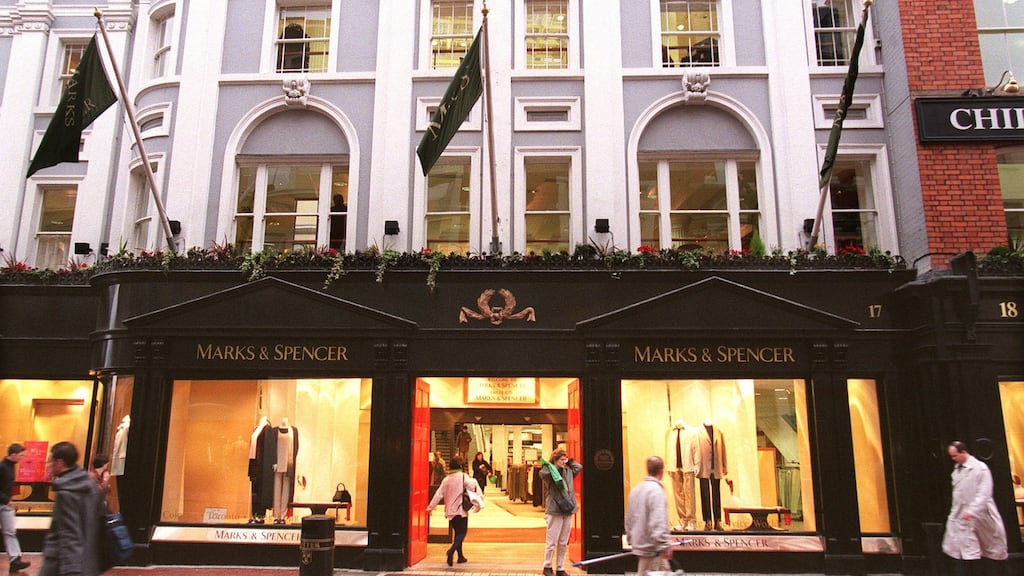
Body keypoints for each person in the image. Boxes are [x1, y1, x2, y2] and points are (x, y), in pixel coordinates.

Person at [941, 441, 1008, 575]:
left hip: (980, 516)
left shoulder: (980, 468)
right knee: (966, 552)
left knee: (989, 552)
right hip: (962, 517)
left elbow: (984, 493)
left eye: (955, 456)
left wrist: (973, 510)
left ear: (963, 452)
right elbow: (958, 495)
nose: (953, 459)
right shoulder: (957, 470)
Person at [40, 441, 103, 576]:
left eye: (50, 462)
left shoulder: (66, 492)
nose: (48, 466)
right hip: (87, 560)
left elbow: (70, 533)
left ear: (60, 463)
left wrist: (72, 570)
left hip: (61, 563)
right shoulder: (90, 486)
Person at [426, 455, 482, 566]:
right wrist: (474, 483)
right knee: (462, 533)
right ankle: (451, 551)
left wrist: (430, 507)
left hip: (450, 512)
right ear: (460, 466)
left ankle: (460, 557)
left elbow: (438, 495)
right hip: (460, 510)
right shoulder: (463, 477)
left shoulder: (446, 480)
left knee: (457, 533)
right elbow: (471, 486)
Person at [626, 456, 676, 576]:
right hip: (653, 548)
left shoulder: (636, 490)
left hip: (641, 546)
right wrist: (664, 544)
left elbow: (629, 518)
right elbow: (657, 520)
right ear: (661, 471)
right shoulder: (656, 491)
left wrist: (630, 538)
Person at [539, 449, 582, 576]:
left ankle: (560, 567)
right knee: (552, 541)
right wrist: (553, 466)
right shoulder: (550, 472)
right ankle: (547, 566)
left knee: (563, 542)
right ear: (555, 460)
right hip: (554, 510)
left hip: (568, 508)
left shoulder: (569, 471)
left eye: (565, 459)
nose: (564, 462)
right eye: (561, 460)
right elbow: (543, 473)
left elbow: (578, 467)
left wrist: (571, 460)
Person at [1, 444, 31, 573]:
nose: (22, 458)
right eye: (21, 455)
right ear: (13, 455)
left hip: (6, 504)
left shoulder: (11, 466)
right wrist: (6, 499)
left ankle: (15, 560)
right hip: (4, 503)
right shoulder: (2, 467)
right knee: (9, 532)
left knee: (10, 531)